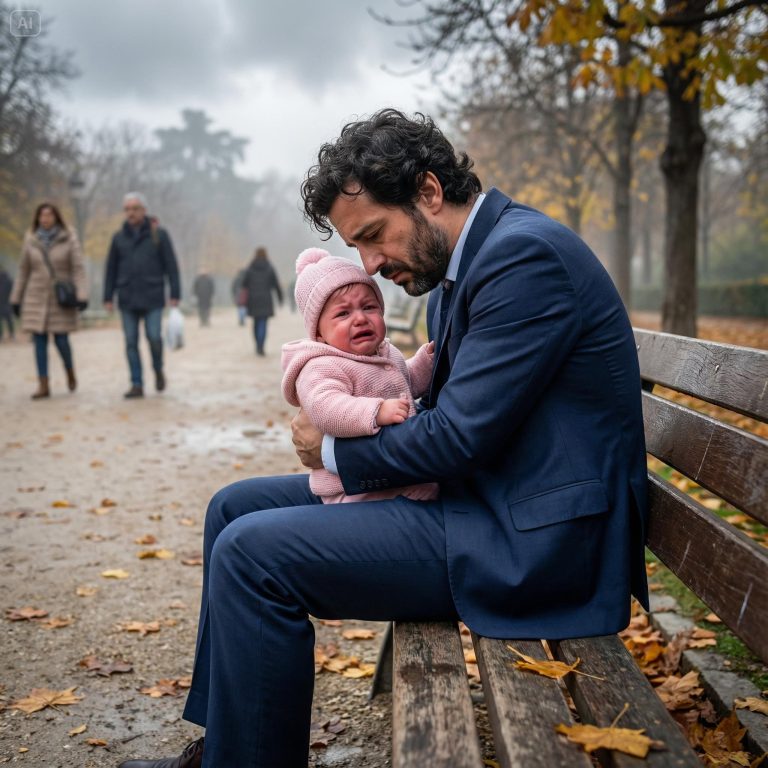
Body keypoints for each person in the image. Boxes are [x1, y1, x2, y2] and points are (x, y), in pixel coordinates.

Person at [118, 109, 648, 768]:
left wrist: (332, 448)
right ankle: (226, 746)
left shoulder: (523, 258)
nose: (368, 264)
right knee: (232, 507)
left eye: (373, 236)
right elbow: (436, 415)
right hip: (483, 500)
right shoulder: (461, 269)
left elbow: (454, 438)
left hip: (532, 544)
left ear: (428, 192)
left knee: (252, 556)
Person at [281, 247, 437, 504]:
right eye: (343, 313)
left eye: (369, 307)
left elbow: (402, 383)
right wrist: (376, 411)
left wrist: (424, 363)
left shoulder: (384, 353)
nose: (360, 319)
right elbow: (326, 409)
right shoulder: (321, 365)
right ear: (319, 333)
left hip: (391, 473)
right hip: (351, 488)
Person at [103, 193, 180, 399]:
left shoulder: (159, 235)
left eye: (135, 208)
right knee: (130, 342)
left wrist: (175, 293)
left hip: (153, 295)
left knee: (154, 337)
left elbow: (171, 266)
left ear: (144, 210)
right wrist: (108, 296)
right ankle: (136, 383)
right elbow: (111, 269)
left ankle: (158, 369)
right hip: (127, 296)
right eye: (127, 209)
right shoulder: (118, 238)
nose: (131, 213)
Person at [10, 203, 87, 399]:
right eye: (41, 216)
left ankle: (69, 370)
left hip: (60, 296)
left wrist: (82, 294)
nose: (45, 219)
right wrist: (16, 298)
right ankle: (43, 384)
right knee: (39, 342)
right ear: (37, 218)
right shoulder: (31, 240)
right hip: (36, 296)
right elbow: (23, 271)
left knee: (62, 341)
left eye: (49, 215)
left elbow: (78, 268)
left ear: (56, 217)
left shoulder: (69, 238)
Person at [243, 246, 283, 355]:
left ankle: (257, 345)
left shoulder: (250, 268)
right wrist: (280, 298)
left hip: (253, 299)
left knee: (256, 323)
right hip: (266, 299)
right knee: (263, 323)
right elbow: (276, 284)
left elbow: (244, 283)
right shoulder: (270, 267)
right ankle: (261, 346)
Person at [0, 267, 14, 341]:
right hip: (8, 304)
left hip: (1, 304)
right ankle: (12, 334)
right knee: (9, 321)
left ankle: (1, 335)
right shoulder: (9, 281)